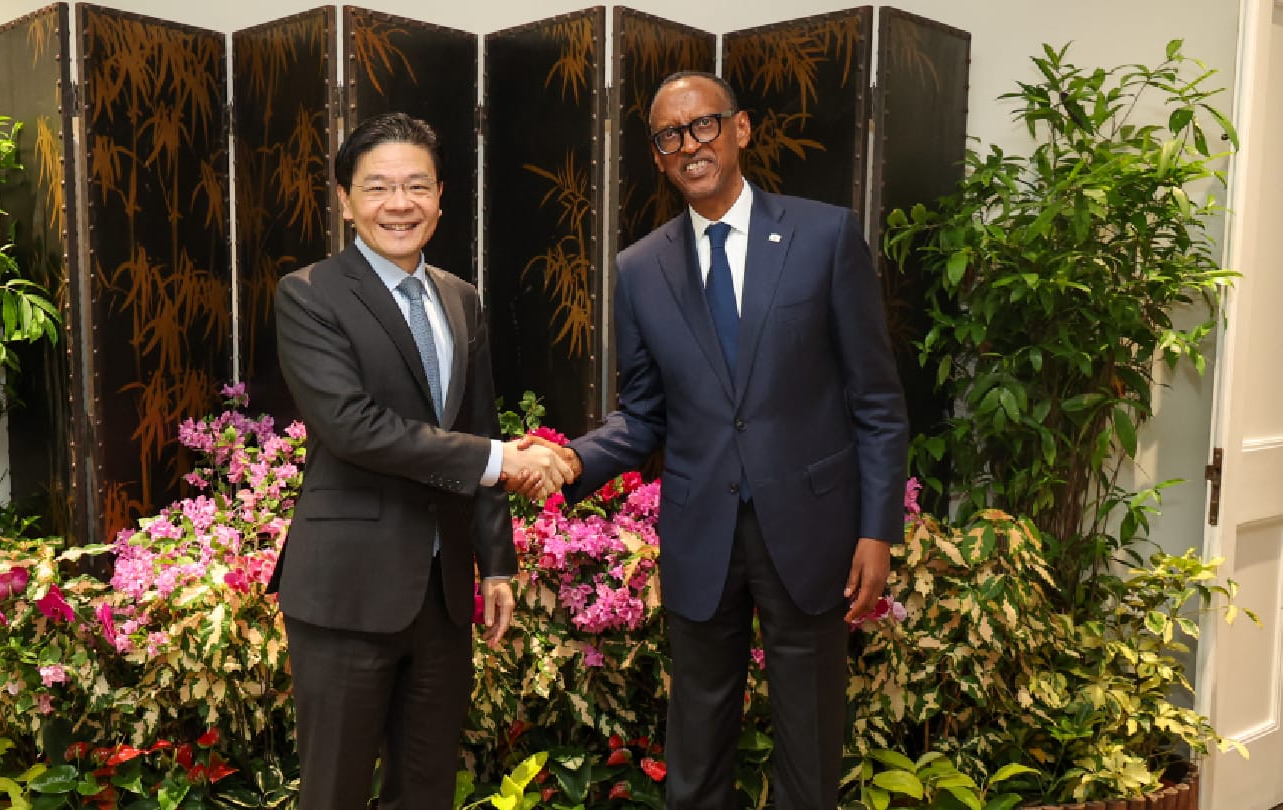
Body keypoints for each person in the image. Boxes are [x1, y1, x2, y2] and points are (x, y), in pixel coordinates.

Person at [526, 72, 909, 809]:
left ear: (741, 129)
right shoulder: (639, 271)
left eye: (703, 125)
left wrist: (877, 530)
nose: (689, 146)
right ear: (659, 157)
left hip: (812, 534)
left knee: (810, 751)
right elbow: (641, 418)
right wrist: (570, 459)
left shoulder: (824, 235)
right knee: (696, 757)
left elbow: (878, 401)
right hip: (702, 538)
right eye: (670, 137)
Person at [268, 112, 575, 810]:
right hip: (346, 592)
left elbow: (479, 426)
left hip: (441, 598)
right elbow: (352, 427)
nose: (398, 204)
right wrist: (502, 459)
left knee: (428, 789)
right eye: (377, 187)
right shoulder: (310, 294)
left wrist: (495, 563)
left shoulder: (460, 300)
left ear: (441, 197)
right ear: (344, 199)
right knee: (335, 792)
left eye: (415, 186)